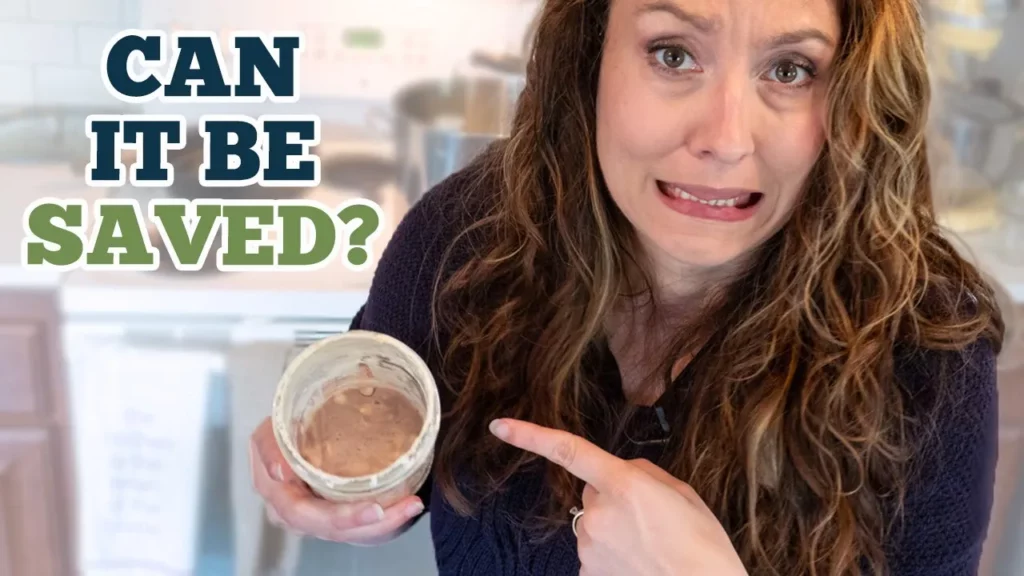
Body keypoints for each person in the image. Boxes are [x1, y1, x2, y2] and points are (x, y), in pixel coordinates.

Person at [249, 0, 1006, 573]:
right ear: (590, 59)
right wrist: (319, 474)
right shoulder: (463, 237)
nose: (724, 138)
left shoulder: (929, 355)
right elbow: (381, 405)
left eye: (789, 70)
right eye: (673, 54)